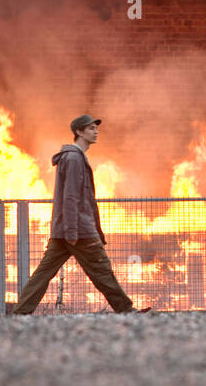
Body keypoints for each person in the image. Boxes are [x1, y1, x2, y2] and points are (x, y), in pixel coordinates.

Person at [11, 114, 150, 315]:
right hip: (79, 230)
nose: (96, 132)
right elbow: (70, 197)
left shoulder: (73, 157)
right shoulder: (75, 158)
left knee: (43, 273)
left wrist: (67, 231)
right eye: (91, 128)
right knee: (102, 270)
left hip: (64, 230)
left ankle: (21, 312)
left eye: (96, 128)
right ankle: (126, 309)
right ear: (79, 132)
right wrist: (72, 232)